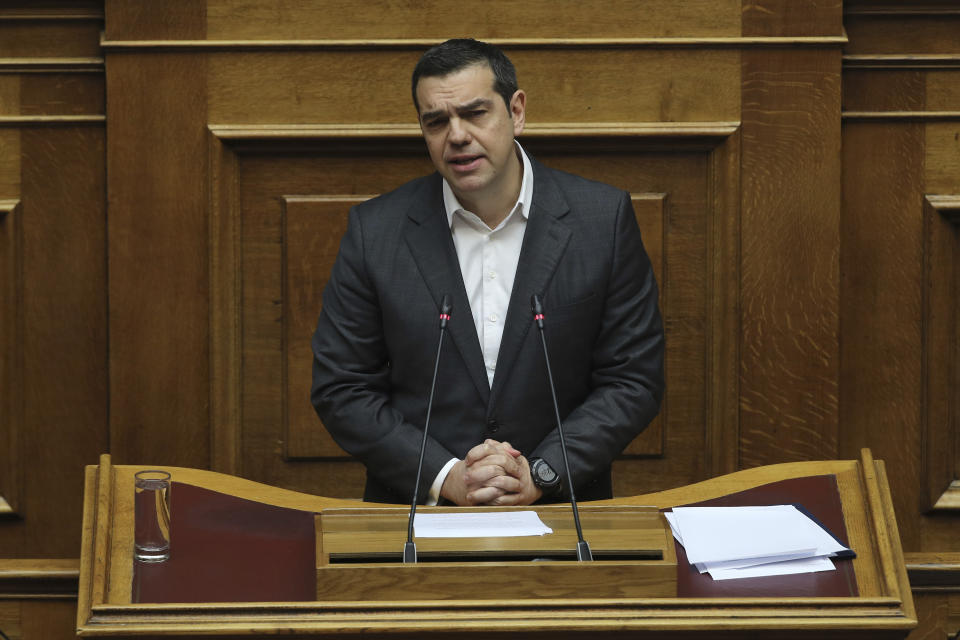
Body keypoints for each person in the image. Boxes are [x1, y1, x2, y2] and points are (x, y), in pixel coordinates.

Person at [311, 38, 664, 506]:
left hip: (563, 514)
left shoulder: (602, 220)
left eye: (475, 113)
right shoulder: (375, 232)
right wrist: (445, 476)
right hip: (419, 518)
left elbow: (632, 379)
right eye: (436, 121)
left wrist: (542, 473)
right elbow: (343, 388)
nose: (456, 136)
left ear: (516, 111)